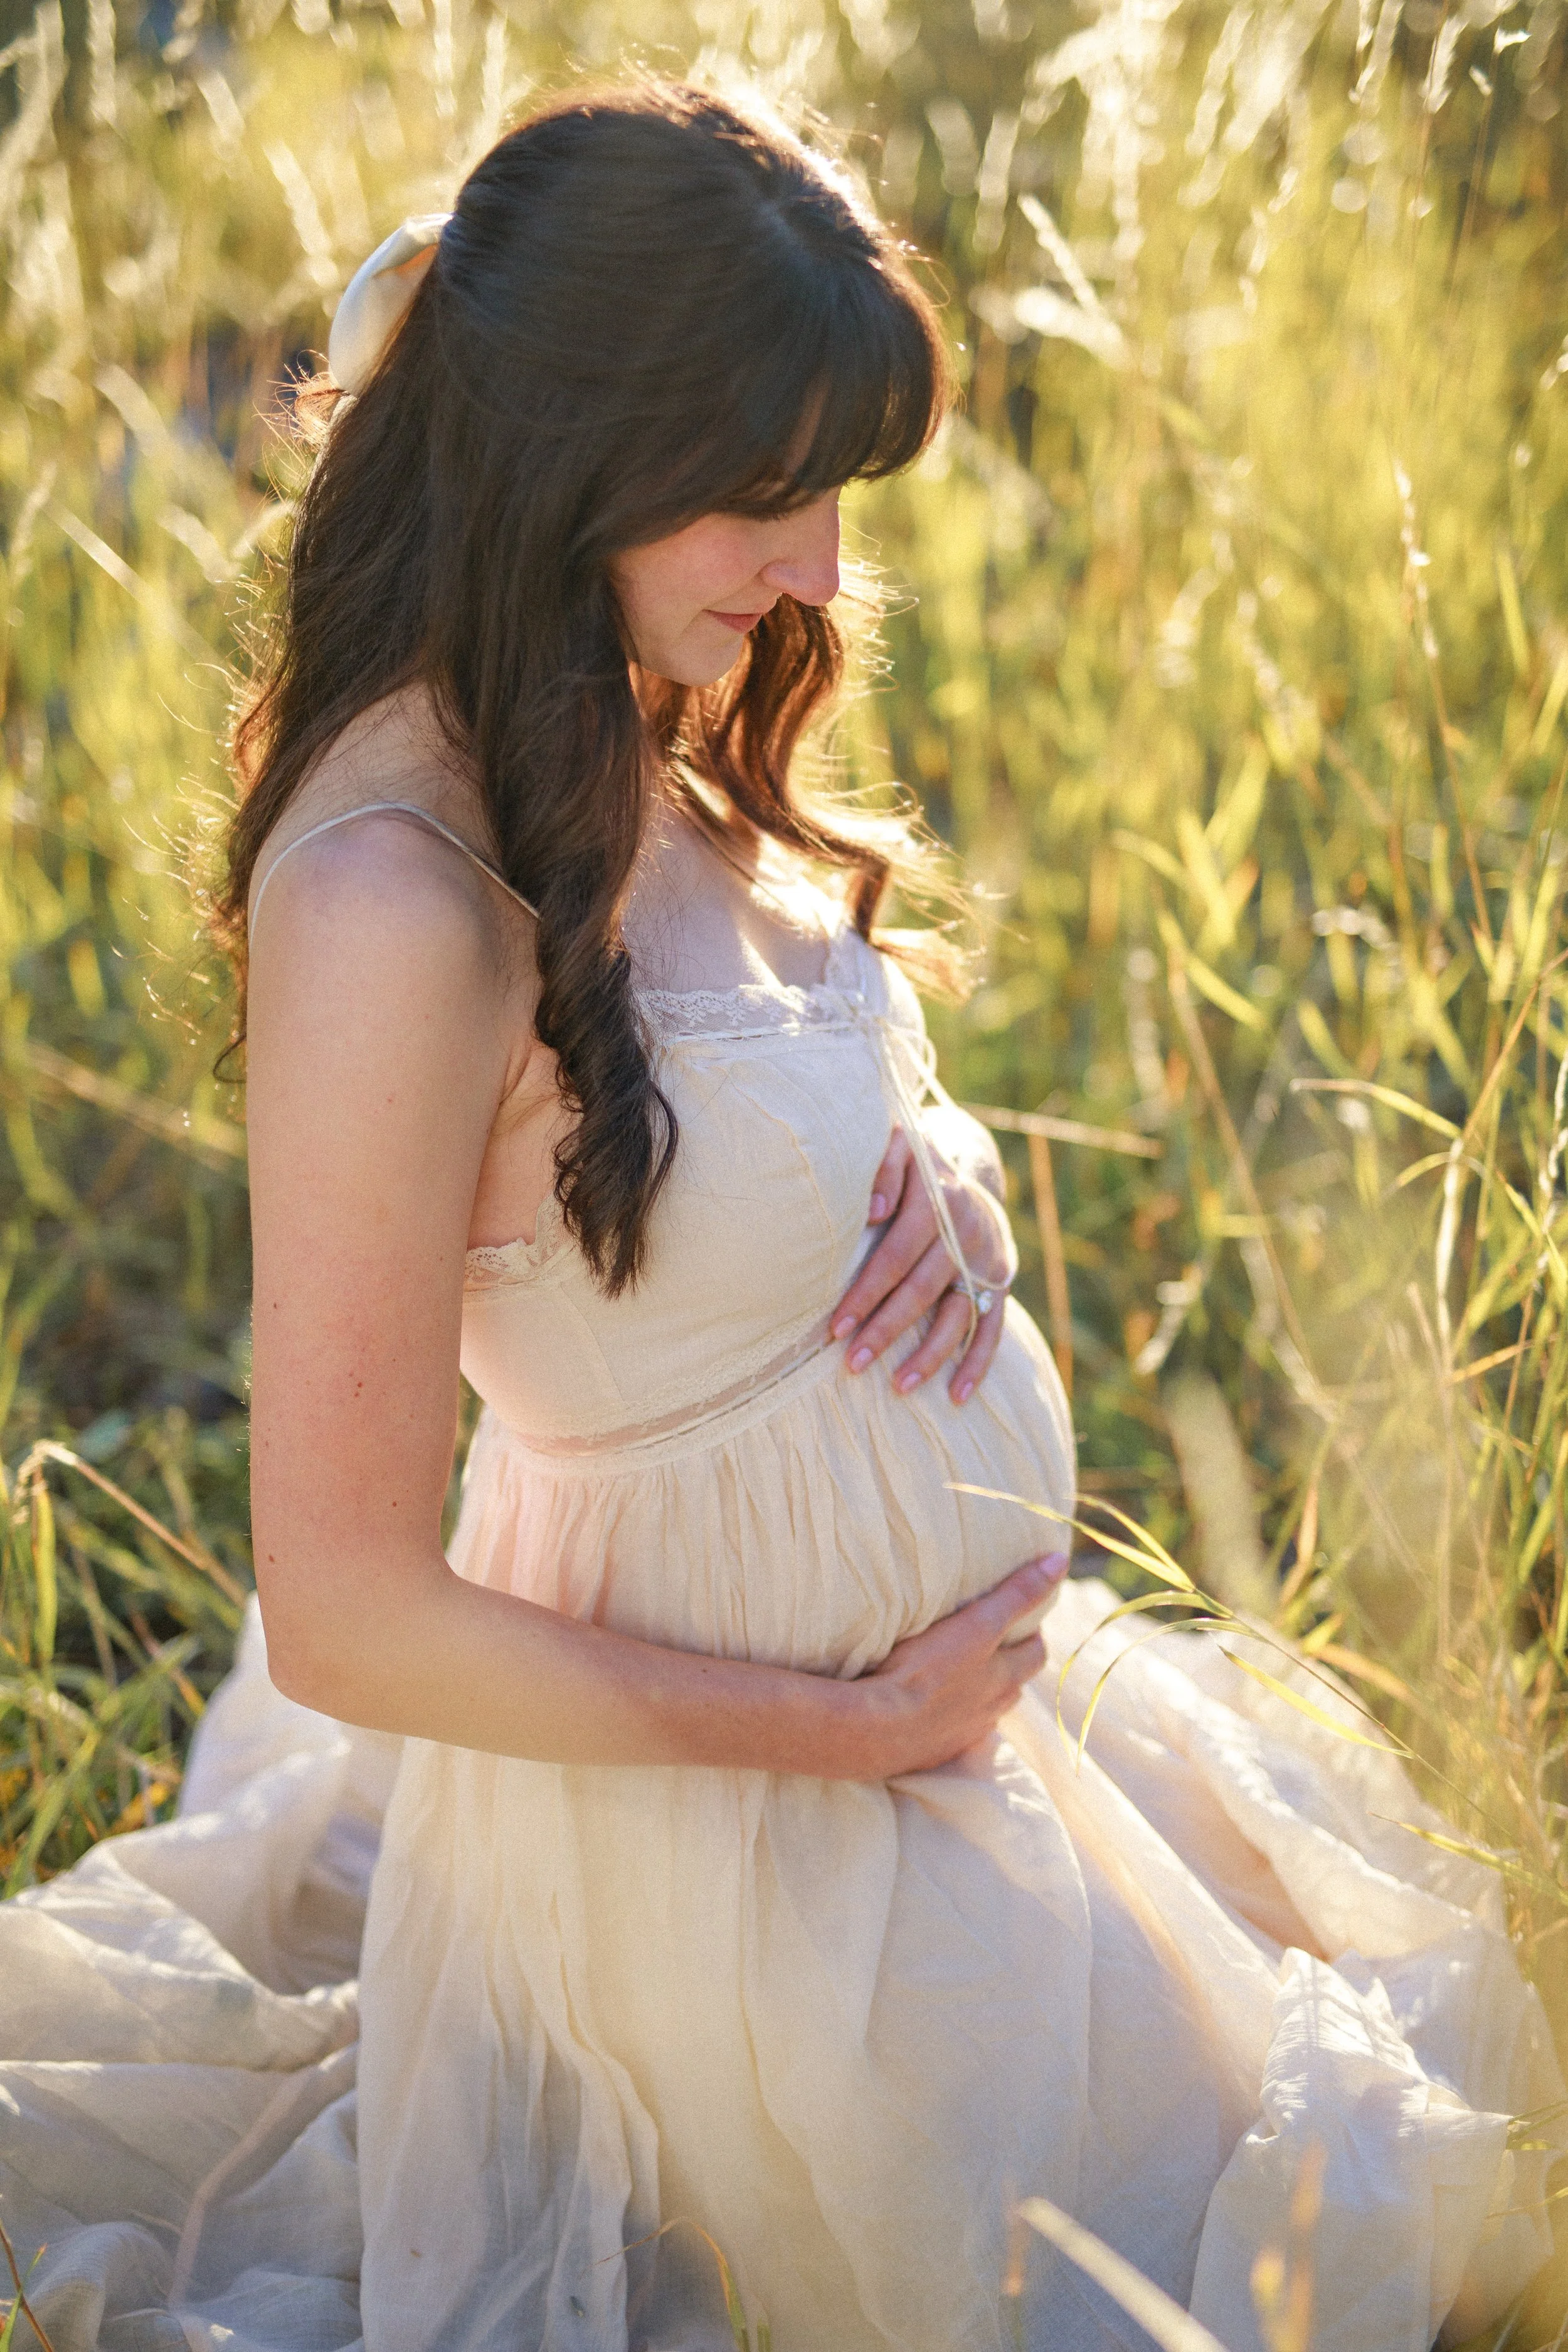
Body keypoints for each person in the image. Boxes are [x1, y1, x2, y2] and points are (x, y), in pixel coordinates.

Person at [1, 79, 1561, 2352]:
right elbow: (340, 1609)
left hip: (945, 1755)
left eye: (830, 490)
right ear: (570, 456)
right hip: (734, 1837)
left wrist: (956, 1188)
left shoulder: (629, 689)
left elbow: (754, 1104)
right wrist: (855, 1731)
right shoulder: (389, 895)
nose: (823, 569)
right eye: (767, 495)